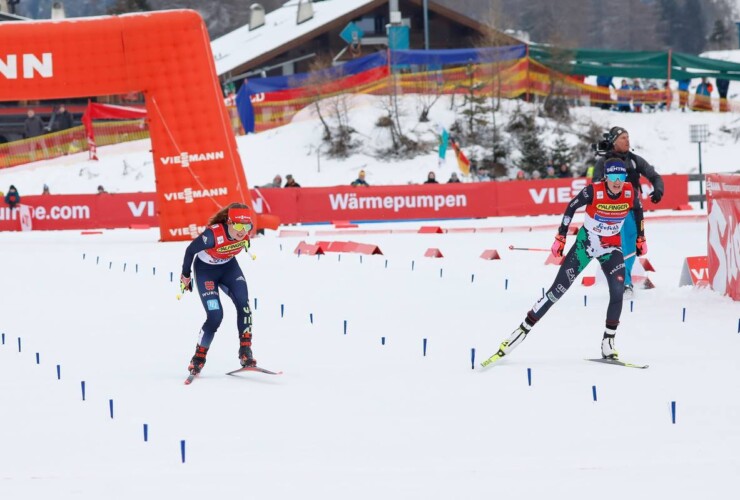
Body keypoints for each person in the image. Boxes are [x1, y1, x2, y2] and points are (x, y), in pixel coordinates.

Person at [484, 158, 646, 366]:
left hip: (610, 248)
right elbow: (571, 207)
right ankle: (520, 331)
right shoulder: (593, 191)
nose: (617, 182)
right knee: (557, 291)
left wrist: (641, 237)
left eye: (621, 177)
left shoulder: (629, 191)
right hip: (585, 246)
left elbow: (639, 211)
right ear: (606, 177)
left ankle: (608, 342)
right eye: (613, 177)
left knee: (618, 291)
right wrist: (561, 237)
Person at [179, 203, 257, 377]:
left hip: (229, 269)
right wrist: (185, 276)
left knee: (244, 305)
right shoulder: (212, 235)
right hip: (206, 273)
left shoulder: (245, 234)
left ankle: (245, 352)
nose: (242, 231)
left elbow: (239, 243)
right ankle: (198, 359)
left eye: (247, 226)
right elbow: (190, 251)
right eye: (238, 225)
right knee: (215, 316)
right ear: (229, 222)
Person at [593, 126, 663, 299]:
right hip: (613, 212)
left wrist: (658, 190)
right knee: (621, 246)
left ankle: (624, 280)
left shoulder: (634, 160)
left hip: (634, 211)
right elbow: (595, 185)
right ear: (614, 142)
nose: (627, 140)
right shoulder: (604, 162)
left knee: (633, 247)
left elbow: (654, 176)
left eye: (628, 137)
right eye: (623, 137)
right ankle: (624, 283)